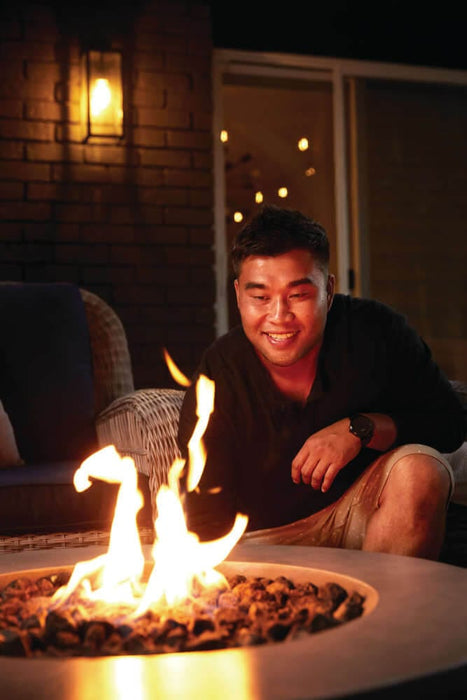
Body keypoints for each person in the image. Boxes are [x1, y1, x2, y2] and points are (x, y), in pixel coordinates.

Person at [177, 205, 465, 560]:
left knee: (421, 471)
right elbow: (204, 507)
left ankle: (391, 614)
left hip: (361, 516)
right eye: (260, 297)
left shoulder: (376, 333)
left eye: (298, 295)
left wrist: (361, 429)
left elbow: (450, 423)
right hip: (263, 542)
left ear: (328, 291)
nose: (279, 317)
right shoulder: (220, 372)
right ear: (238, 295)